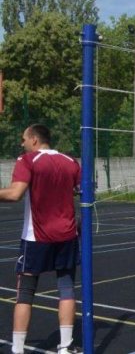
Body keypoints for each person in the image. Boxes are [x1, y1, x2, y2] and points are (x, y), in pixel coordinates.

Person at [0, 124, 82, 354]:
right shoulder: (71, 162)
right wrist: (79, 225)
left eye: (23, 138)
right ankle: (65, 347)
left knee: (25, 291)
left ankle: (17, 349)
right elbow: (82, 194)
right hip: (66, 235)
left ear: (35, 140)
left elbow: (15, 193)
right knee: (66, 288)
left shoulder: (27, 161)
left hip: (36, 236)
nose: (21, 143)